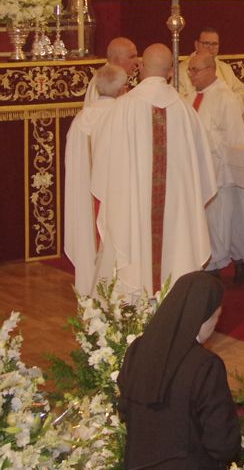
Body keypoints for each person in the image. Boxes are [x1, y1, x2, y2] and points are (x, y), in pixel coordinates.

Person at [118, 272, 239, 470]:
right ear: (205, 316)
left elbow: (125, 409)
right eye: (217, 317)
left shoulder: (137, 351)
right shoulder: (205, 365)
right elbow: (221, 442)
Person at [91, 44, 217, 297]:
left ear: (139, 67)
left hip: (133, 212)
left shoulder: (121, 109)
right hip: (176, 213)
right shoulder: (186, 111)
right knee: (177, 250)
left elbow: (102, 166)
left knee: (132, 253)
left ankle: (132, 309)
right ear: (171, 71)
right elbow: (205, 170)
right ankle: (174, 308)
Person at [186, 51, 244, 278]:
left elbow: (235, 138)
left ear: (211, 70)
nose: (191, 75)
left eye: (196, 70)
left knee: (223, 220)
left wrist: (233, 172)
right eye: (190, 70)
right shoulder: (194, 97)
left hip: (222, 172)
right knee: (216, 221)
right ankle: (223, 261)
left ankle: (220, 265)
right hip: (201, 170)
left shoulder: (225, 97)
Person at [63, 64, 130, 296]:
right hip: (113, 198)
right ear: (123, 90)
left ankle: (89, 297)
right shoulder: (121, 117)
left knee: (89, 242)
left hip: (85, 200)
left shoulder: (81, 119)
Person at [177, 28, 244, 102]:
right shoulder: (181, 70)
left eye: (214, 44)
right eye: (206, 43)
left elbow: (240, 90)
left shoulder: (225, 68)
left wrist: (227, 102)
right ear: (196, 45)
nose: (211, 48)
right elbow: (179, 100)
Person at [84, 37, 140, 104]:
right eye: (131, 57)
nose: (137, 61)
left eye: (136, 56)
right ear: (116, 59)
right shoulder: (103, 80)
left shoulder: (119, 77)